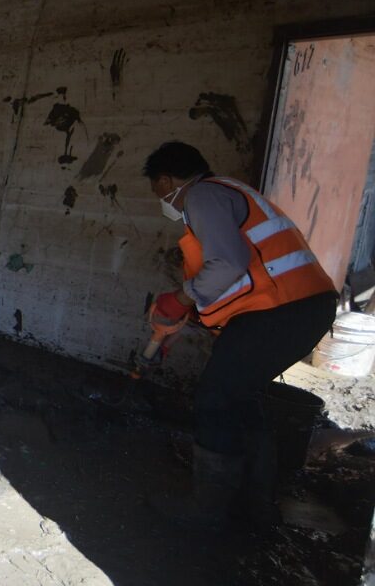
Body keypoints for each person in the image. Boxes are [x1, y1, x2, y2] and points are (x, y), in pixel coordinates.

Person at [144, 141, 337, 527]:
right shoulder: (229, 193)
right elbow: (242, 275)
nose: (161, 200)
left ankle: (207, 511)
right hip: (298, 308)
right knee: (240, 400)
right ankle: (258, 508)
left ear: (166, 180)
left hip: (283, 310)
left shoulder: (203, 194)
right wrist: (191, 316)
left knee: (216, 397)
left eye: (158, 190)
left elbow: (227, 263)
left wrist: (181, 299)